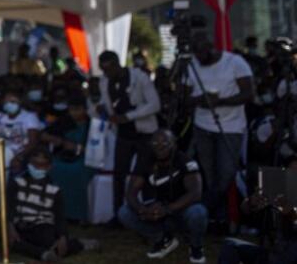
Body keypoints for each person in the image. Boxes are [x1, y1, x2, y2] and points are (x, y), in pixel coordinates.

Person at [186, 34, 254, 224]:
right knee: (209, 174)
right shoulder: (192, 64)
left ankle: (202, 211)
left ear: (210, 48)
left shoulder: (235, 62)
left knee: (226, 174)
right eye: (195, 54)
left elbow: (249, 93)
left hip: (231, 127)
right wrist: (201, 99)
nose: (198, 58)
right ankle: (218, 217)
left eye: (200, 53)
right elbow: (184, 98)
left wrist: (220, 102)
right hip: (202, 126)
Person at [118, 130, 208, 263]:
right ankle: (163, 239)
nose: (159, 146)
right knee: (124, 212)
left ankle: (196, 247)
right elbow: (131, 193)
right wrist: (141, 209)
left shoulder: (185, 161)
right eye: (155, 142)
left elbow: (195, 193)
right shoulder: (145, 160)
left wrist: (168, 209)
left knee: (198, 212)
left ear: (174, 144)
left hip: (182, 210)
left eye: (165, 142)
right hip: (157, 211)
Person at [94, 49, 160, 214]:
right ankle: (118, 213)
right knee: (119, 174)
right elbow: (108, 101)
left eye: (108, 69)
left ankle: (148, 210)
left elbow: (154, 104)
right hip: (122, 134)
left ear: (117, 65)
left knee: (145, 173)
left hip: (145, 133)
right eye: (103, 70)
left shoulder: (139, 77)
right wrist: (102, 107)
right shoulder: (104, 81)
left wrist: (129, 116)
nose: (106, 73)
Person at [5, 146, 98, 261]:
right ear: (28, 164)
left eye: (41, 165)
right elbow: (8, 207)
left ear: (49, 167)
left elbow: (59, 216)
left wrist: (62, 236)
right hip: (20, 225)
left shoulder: (54, 189)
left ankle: (76, 244)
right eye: (34, 164)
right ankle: (43, 254)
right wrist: (10, 225)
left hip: (42, 227)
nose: (37, 168)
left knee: (51, 241)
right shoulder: (16, 183)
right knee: (2, 233)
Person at [38, 95, 93, 222]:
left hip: (85, 159)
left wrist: (76, 148)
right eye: (72, 109)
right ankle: (58, 213)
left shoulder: (92, 124)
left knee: (78, 172)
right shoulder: (64, 121)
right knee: (54, 168)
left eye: (78, 109)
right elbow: (43, 135)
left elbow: (96, 148)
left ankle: (78, 215)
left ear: (85, 109)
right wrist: (56, 140)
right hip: (63, 157)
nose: (74, 113)